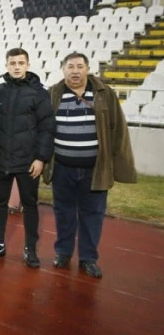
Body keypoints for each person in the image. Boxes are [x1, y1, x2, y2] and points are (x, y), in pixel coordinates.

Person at [42, 52, 136, 278]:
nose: (75, 71)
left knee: (92, 214)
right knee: (63, 213)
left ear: (87, 69)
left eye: (79, 66)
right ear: (63, 69)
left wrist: (117, 164)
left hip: (95, 169)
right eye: (70, 66)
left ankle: (88, 258)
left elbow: (118, 129)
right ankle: (63, 252)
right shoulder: (52, 94)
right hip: (62, 168)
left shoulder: (105, 94)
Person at [0, 48, 55, 268]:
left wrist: (41, 158)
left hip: (28, 162)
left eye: (20, 63)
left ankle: (30, 249)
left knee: (30, 205)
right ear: (6, 65)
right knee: (0, 204)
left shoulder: (39, 93)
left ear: (27, 65)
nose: (16, 67)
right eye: (12, 63)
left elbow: (47, 128)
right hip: (0, 159)